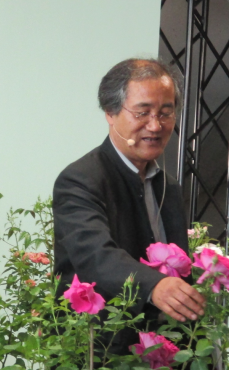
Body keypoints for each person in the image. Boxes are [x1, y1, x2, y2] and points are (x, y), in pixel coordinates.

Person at [53, 58, 206, 353]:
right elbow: (96, 256)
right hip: (99, 352)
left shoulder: (168, 187)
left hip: (163, 354)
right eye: (142, 112)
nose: (155, 125)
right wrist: (154, 285)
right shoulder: (80, 179)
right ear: (110, 112)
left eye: (166, 113)